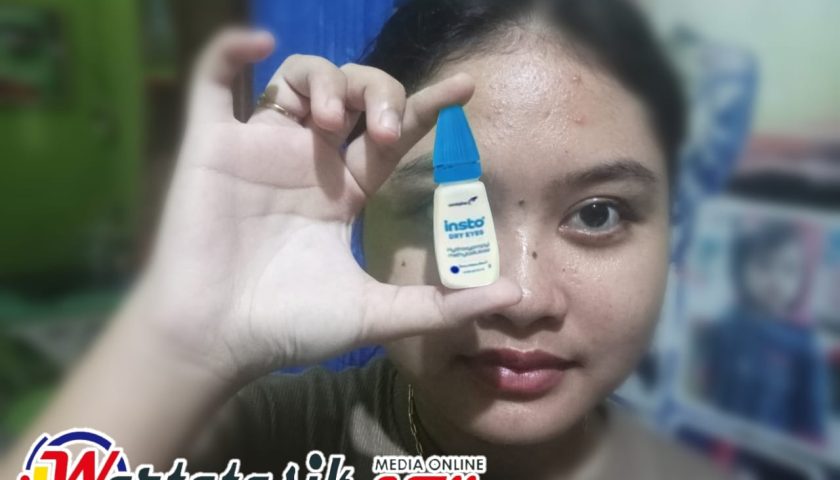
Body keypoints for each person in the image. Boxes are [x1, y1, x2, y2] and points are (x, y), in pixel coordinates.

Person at [0, 0, 728, 478]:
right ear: (362, 223)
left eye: (598, 214)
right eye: (447, 206)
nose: (520, 296)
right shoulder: (269, 444)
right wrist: (183, 340)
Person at [701, 222, 828, 441]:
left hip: (770, 451)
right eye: (764, 264)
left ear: (802, 278)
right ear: (742, 268)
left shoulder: (804, 344)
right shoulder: (728, 324)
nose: (776, 278)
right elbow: (710, 387)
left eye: (789, 269)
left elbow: (812, 419)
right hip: (719, 441)